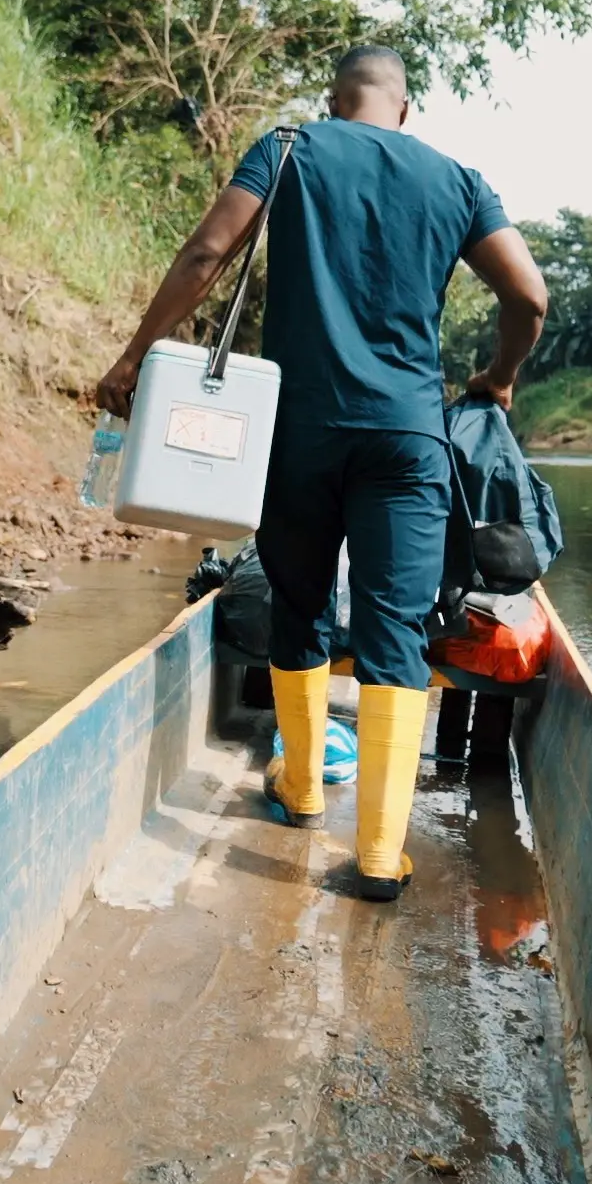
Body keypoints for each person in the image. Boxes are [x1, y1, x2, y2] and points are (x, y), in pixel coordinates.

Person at [94, 46, 547, 901]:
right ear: (404, 110)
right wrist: (500, 378)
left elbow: (206, 254)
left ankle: (301, 786)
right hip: (408, 443)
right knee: (395, 629)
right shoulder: (459, 179)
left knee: (300, 606)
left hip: (296, 434)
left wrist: (136, 355)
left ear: (334, 99)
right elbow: (529, 298)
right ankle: (379, 853)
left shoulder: (290, 148)